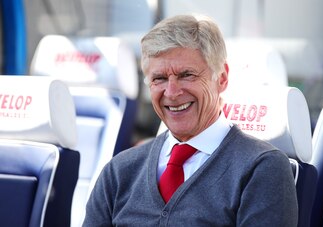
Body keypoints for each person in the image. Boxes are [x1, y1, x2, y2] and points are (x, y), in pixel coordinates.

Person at [83, 14, 298, 226]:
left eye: (187, 75)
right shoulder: (119, 171)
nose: (172, 92)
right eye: (159, 78)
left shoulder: (262, 168)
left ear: (221, 78)